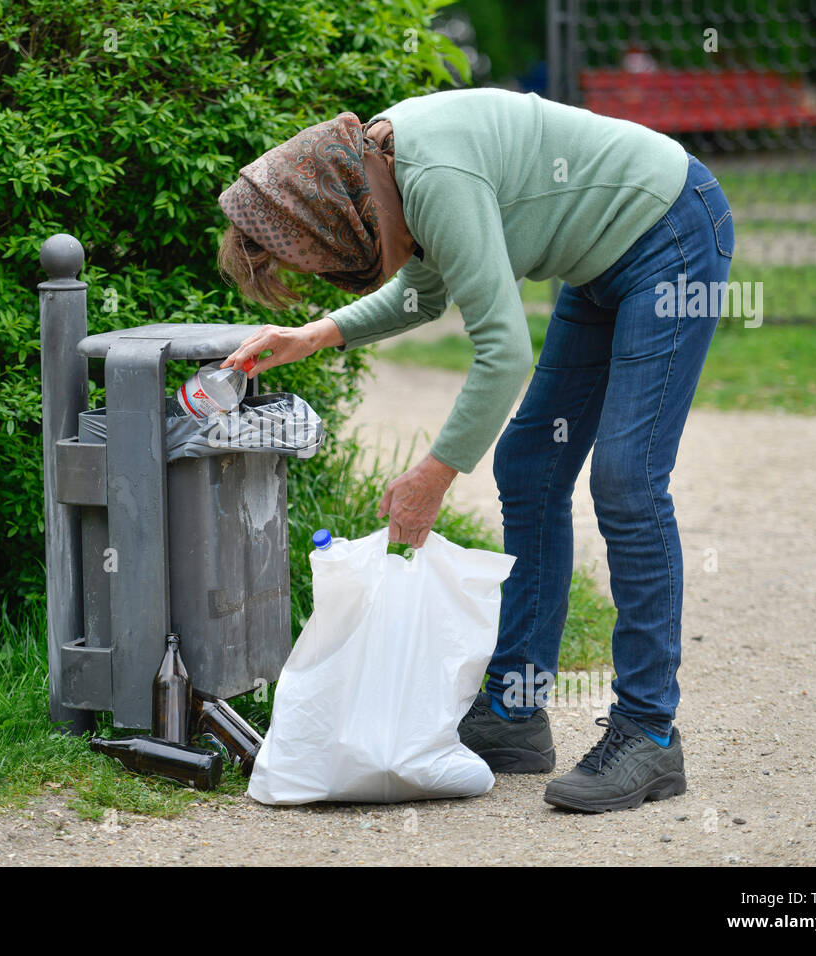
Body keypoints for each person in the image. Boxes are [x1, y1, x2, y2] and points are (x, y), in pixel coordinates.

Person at [214, 87, 735, 813]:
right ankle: (516, 715)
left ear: (348, 218)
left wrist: (434, 474)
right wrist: (317, 334)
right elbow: (426, 292)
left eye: (335, 265)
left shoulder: (430, 177)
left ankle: (649, 731)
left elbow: (502, 351)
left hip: (670, 231)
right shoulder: (381, 167)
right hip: (604, 260)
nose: (349, 274)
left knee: (627, 478)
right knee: (531, 463)